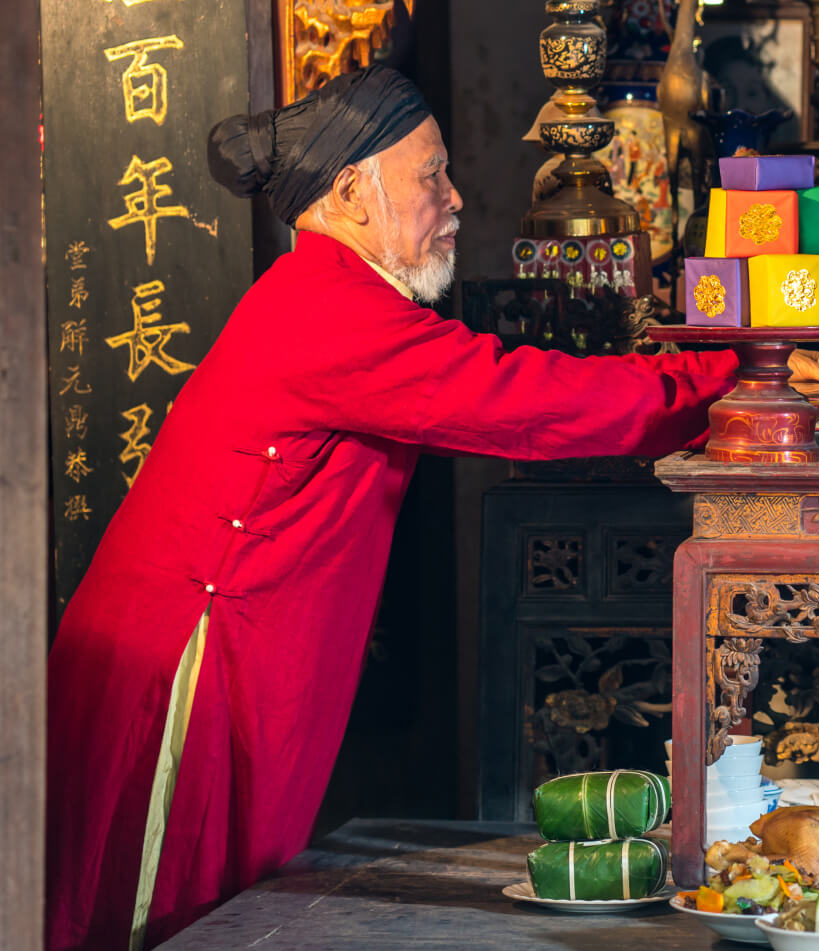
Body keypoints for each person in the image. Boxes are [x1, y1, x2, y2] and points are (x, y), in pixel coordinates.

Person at [45, 67, 746, 949]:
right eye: (431, 176)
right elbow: (524, 401)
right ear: (351, 192)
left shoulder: (335, 298)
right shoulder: (329, 313)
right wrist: (737, 381)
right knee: (168, 911)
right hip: (186, 661)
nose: (454, 199)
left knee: (215, 898)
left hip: (231, 643)